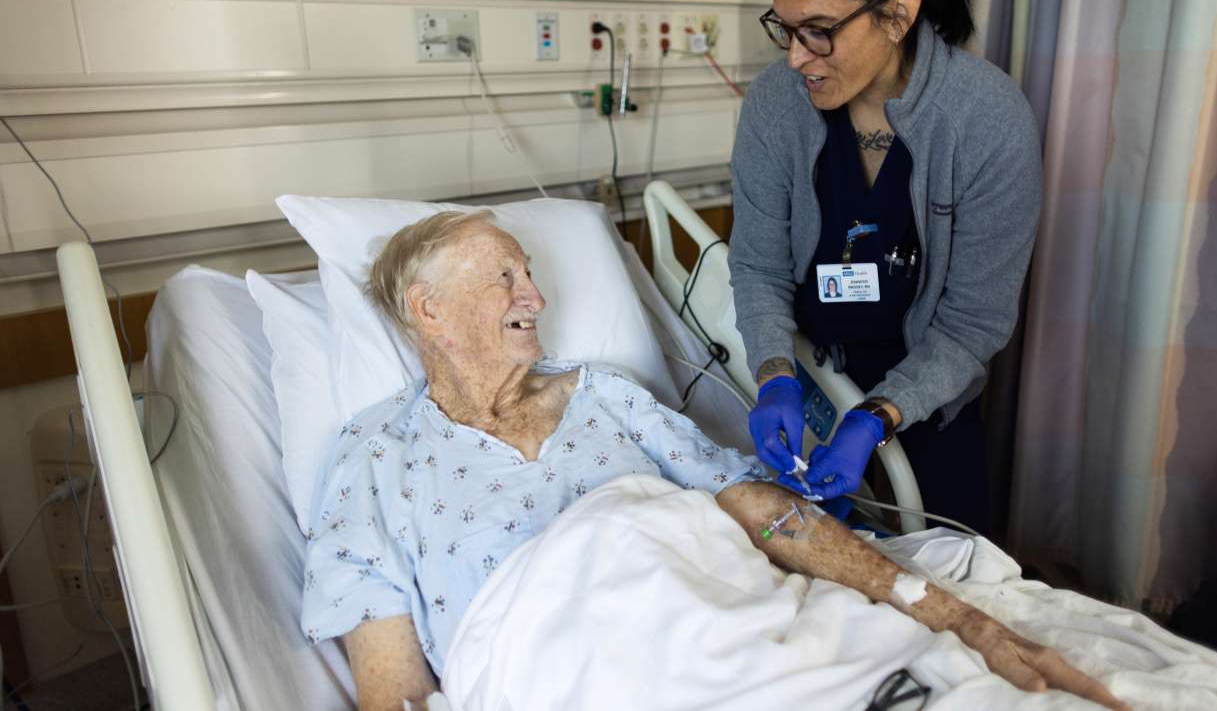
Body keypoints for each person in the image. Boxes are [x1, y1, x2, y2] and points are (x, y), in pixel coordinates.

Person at [300, 212, 1120, 711]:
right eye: (506, 276)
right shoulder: (375, 458)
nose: (536, 297)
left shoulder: (607, 394)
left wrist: (955, 615)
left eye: (533, 273)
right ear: (428, 310)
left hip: (723, 611)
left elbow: (756, 507)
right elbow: (396, 687)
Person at [729, 0, 1042, 535]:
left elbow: (974, 320)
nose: (795, 57)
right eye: (785, 29)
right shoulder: (775, 105)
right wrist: (775, 374)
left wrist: (877, 416)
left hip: (929, 400)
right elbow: (757, 263)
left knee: (954, 579)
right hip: (811, 380)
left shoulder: (986, 120)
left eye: (819, 31)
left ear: (898, 14)